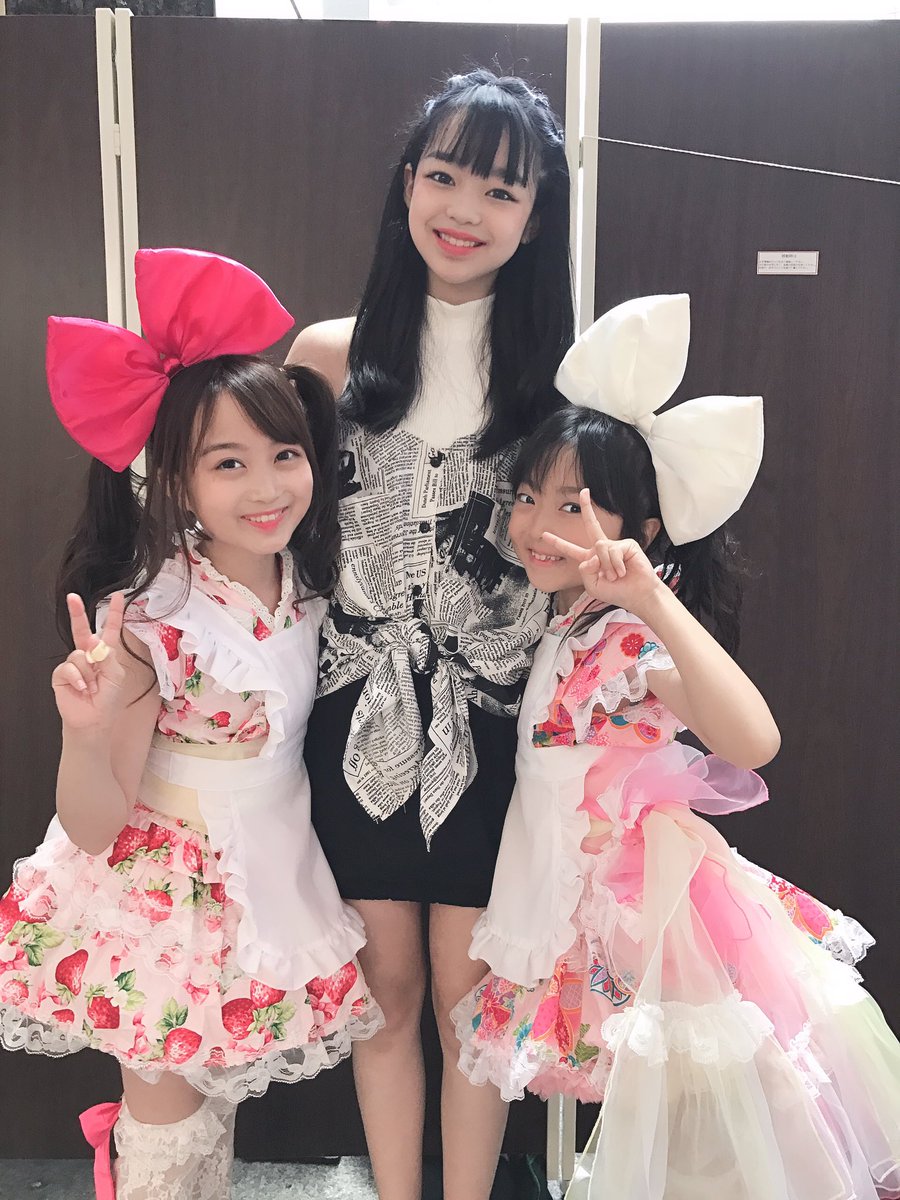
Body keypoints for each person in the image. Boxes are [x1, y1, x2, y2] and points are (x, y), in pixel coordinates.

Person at [452, 293, 900, 1200]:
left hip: (645, 912)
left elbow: (754, 740)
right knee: (673, 1116)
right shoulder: (566, 622)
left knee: (709, 1121)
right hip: (583, 902)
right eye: (528, 498)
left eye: (574, 505)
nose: (537, 524)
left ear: (643, 532)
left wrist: (652, 600)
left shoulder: (627, 638)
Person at [0, 248, 382, 1200]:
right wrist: (86, 732)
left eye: (285, 454)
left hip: (269, 873)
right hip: (165, 901)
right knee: (168, 1142)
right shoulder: (155, 617)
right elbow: (96, 824)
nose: (267, 487)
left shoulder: (311, 580)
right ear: (174, 478)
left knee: (212, 1121)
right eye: (228, 464)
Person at [286, 69, 574, 1200]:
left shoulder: (564, 379)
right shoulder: (324, 356)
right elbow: (266, 523)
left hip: (497, 727)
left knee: (472, 1005)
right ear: (408, 183)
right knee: (386, 996)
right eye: (444, 175)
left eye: (501, 190)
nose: (465, 209)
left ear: (534, 216)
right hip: (348, 714)